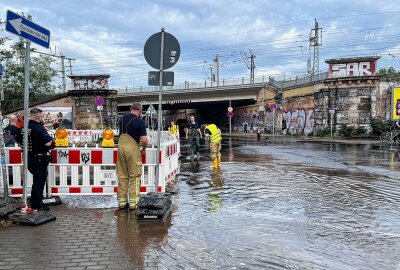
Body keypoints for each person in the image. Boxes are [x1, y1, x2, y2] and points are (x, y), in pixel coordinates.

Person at [116, 102, 148, 211]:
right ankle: (133, 204)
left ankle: (122, 203)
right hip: (132, 149)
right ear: (140, 111)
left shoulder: (122, 119)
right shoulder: (140, 121)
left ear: (131, 109)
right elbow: (144, 140)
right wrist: (143, 149)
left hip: (120, 148)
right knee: (134, 176)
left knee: (122, 176)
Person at [28, 108, 56, 211]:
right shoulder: (39, 128)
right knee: (39, 182)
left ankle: (34, 202)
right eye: (42, 116)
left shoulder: (25, 127)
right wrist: (53, 141)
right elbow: (48, 143)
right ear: (38, 117)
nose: (43, 118)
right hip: (39, 158)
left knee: (36, 181)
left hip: (29, 158)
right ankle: (36, 205)